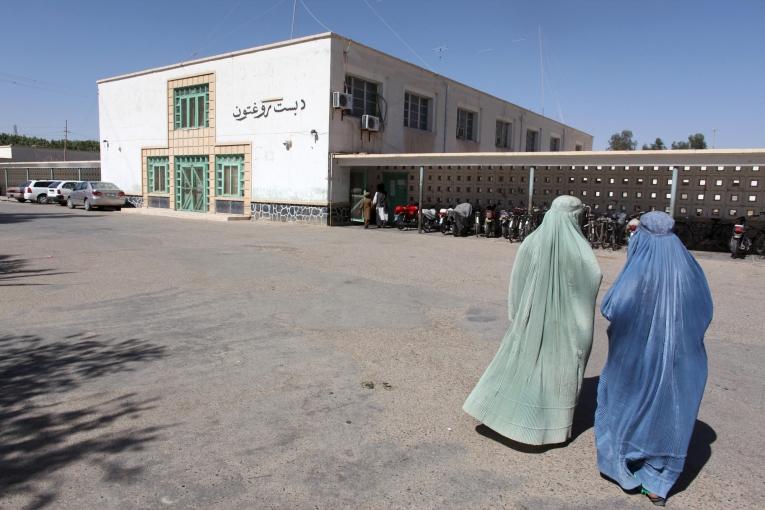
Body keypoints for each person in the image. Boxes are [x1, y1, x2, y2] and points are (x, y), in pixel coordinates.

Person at [463, 195, 602, 445]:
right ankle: (550, 428)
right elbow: (592, 280)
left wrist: (518, 316)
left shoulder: (532, 241)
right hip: (567, 327)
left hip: (529, 318)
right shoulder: (580, 251)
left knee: (523, 368)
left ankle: (507, 418)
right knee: (557, 372)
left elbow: (517, 280)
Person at [596, 211, 713, 506]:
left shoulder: (642, 267)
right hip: (685, 359)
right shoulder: (689, 266)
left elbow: (613, 306)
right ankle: (659, 481)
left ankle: (623, 464)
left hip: (635, 357)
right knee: (671, 412)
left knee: (626, 405)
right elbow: (705, 311)